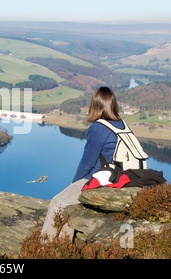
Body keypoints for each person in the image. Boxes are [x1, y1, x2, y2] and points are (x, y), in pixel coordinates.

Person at [41, 86, 125, 240]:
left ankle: (44, 248)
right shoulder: (121, 124)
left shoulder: (98, 128)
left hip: (101, 179)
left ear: (95, 105)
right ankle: (63, 246)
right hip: (121, 177)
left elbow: (87, 163)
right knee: (70, 208)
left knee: (57, 203)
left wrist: (74, 184)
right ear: (113, 104)